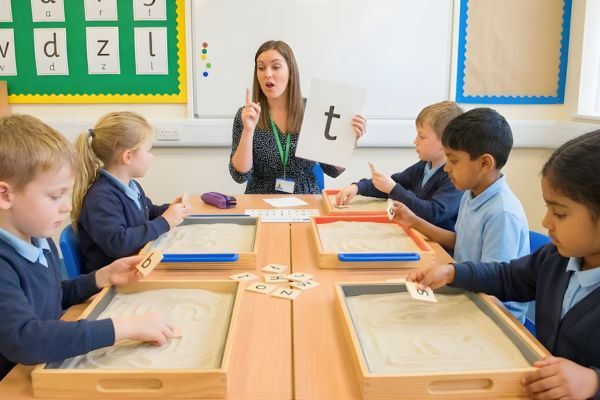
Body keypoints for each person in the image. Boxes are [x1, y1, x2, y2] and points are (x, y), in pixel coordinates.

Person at [407, 129, 600, 400]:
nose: (545, 222)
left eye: (559, 213)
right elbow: (507, 276)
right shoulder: (556, 258)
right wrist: (452, 272)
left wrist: (593, 381)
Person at [0, 114, 176, 380]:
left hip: (43, 369)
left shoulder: (38, 238)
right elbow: (26, 338)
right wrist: (123, 328)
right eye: (54, 196)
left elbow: (51, 296)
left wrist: (100, 277)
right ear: (5, 195)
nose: (67, 206)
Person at [392, 108, 529, 321]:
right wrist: (415, 221)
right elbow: (461, 242)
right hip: (468, 291)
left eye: (453, 161)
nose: (446, 169)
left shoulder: (502, 214)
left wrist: (448, 279)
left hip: (493, 315)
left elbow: (493, 285)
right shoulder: (471, 192)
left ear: (485, 163)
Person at [229, 40, 367, 194]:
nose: (267, 74)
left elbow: (333, 170)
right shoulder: (247, 114)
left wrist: (349, 139)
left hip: (306, 199)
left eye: (275, 67)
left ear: (290, 73)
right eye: (261, 68)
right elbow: (239, 175)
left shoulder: (312, 110)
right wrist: (248, 130)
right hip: (260, 198)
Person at [72, 112, 190, 274]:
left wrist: (171, 209)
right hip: (113, 283)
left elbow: (148, 212)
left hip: (134, 268)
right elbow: (119, 244)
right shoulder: (100, 197)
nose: (151, 157)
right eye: (148, 151)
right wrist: (165, 221)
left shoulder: (131, 186)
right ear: (128, 157)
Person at [336, 101, 463, 231]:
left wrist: (393, 189)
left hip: (438, 247)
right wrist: (358, 187)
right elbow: (393, 184)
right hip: (417, 234)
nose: (415, 141)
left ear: (445, 142)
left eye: (422, 137)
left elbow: (432, 213)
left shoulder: (454, 178)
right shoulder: (423, 166)